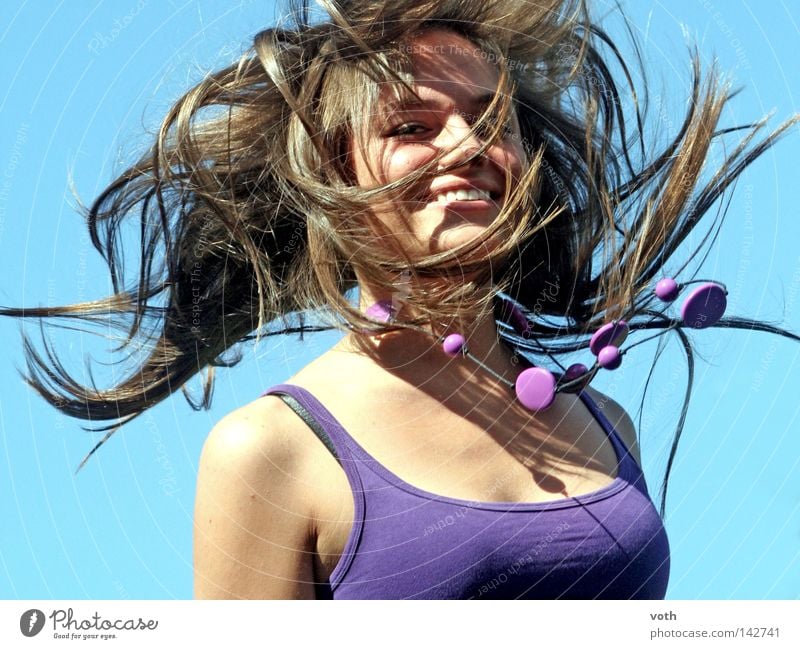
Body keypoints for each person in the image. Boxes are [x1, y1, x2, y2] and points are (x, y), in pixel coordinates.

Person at [2, 0, 796, 599]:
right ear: (336, 171)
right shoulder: (273, 451)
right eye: (414, 125)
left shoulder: (604, 425)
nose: (471, 148)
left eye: (493, 119)